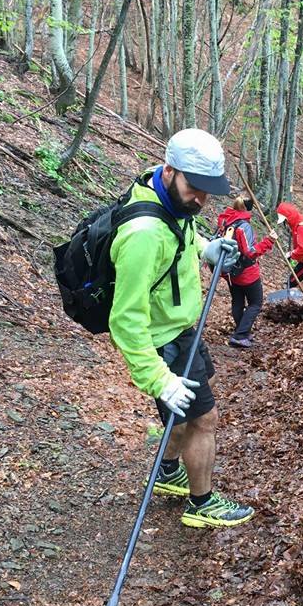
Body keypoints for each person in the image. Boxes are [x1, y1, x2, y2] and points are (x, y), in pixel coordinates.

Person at [108, 128, 255, 529]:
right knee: (204, 419)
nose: (202, 200)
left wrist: (206, 248)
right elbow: (125, 319)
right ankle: (201, 503)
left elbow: (181, 238)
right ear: (171, 170)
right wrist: (159, 379)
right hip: (164, 345)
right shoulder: (143, 235)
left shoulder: (167, 198)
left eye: (209, 191)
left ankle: (169, 472)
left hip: (180, 330)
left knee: (187, 417)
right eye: (196, 188)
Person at [216, 197, 277, 348]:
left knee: (237, 301)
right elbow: (250, 252)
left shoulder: (225, 220)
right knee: (256, 303)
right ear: (248, 209)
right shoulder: (243, 226)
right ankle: (240, 335)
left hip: (230, 271)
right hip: (246, 272)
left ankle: (242, 331)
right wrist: (269, 241)